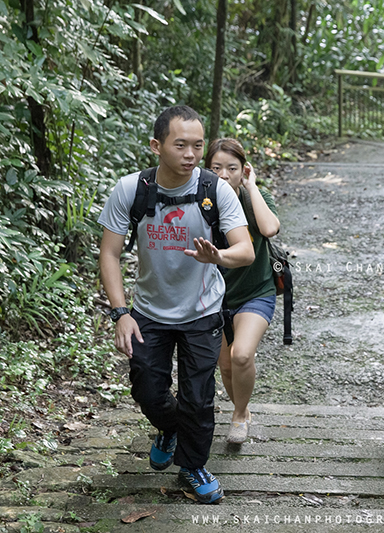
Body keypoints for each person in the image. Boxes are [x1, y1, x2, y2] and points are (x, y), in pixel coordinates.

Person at [98, 106, 254, 504]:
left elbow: (246, 250)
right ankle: (168, 428)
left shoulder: (214, 189)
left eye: (197, 146)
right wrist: (121, 313)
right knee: (148, 389)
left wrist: (217, 257)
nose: (190, 154)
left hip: (202, 310)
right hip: (148, 310)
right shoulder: (132, 189)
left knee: (198, 397)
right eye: (180, 144)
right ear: (156, 146)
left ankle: (192, 464)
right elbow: (110, 254)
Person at [204, 138, 280, 444]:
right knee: (224, 364)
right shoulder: (201, 202)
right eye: (216, 168)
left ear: (243, 170)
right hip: (214, 298)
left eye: (231, 168)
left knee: (242, 355)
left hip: (256, 291)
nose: (223, 175)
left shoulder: (255, 199)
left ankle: (238, 415)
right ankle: (242, 410)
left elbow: (269, 228)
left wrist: (252, 187)